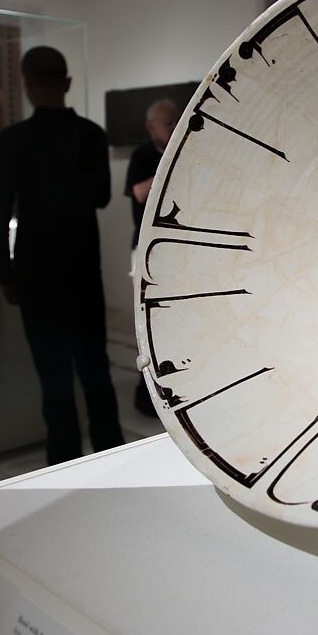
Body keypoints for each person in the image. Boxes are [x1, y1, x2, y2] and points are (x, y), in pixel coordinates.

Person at [0, 46, 124, 464]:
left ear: (27, 85)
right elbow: (101, 197)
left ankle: (63, 466)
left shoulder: (11, 141)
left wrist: (4, 273)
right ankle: (112, 462)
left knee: (54, 380)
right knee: (95, 371)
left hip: (36, 274)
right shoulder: (91, 135)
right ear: (66, 83)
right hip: (81, 269)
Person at [124, 98, 179, 417]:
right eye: (167, 122)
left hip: (175, 252)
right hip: (146, 251)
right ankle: (146, 394)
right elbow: (140, 193)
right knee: (147, 323)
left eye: (175, 121)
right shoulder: (142, 155)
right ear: (150, 127)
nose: (172, 127)